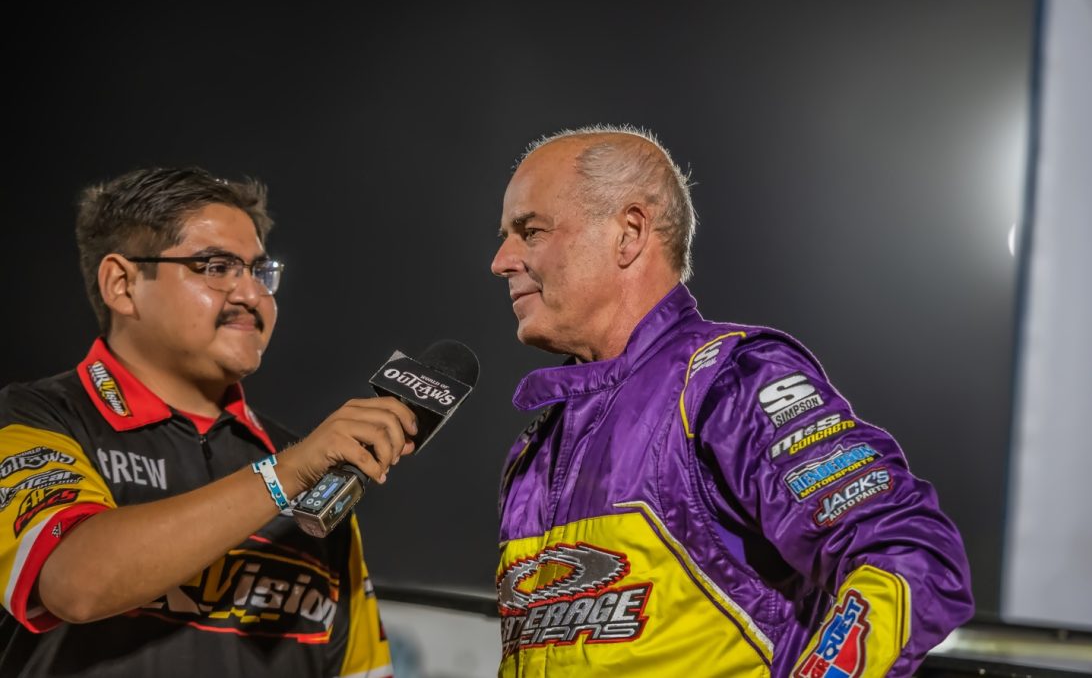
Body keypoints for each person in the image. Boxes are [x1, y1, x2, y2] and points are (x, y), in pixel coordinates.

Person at [490, 126, 973, 677]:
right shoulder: (537, 444)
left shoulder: (730, 382)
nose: (501, 260)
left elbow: (908, 553)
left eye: (530, 231)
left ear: (628, 232)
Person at [0, 167, 417, 677]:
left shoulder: (310, 464)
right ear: (122, 283)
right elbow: (73, 583)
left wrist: (295, 467)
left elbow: (361, 671)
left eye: (260, 271)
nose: (251, 294)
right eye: (216, 266)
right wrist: (283, 476)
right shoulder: (32, 418)